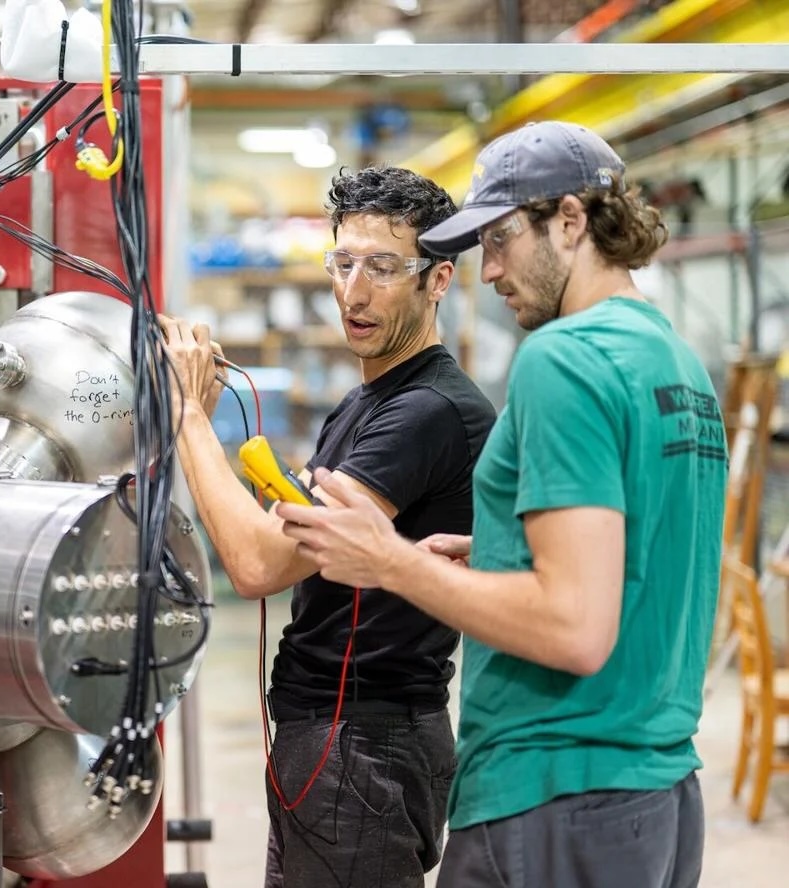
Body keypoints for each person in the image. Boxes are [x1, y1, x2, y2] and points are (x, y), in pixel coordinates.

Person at [278, 121, 726, 888]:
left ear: (570, 221)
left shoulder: (562, 357)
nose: (485, 272)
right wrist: (493, 559)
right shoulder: (670, 359)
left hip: (552, 790)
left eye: (499, 240)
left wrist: (389, 563)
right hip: (655, 792)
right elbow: (629, 568)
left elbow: (573, 628)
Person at [159, 165, 496, 888]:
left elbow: (255, 566)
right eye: (342, 263)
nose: (354, 290)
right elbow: (285, 539)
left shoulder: (424, 413)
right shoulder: (367, 401)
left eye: (382, 267)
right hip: (335, 736)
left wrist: (187, 415)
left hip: (363, 742)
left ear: (437, 281)